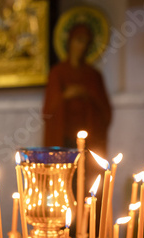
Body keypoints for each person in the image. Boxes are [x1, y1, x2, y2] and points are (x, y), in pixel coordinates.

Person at [42, 24, 112, 157]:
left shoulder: (93, 75)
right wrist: (65, 96)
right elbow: (48, 111)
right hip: (63, 137)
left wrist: (86, 94)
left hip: (89, 138)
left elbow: (105, 112)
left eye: (86, 43)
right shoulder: (58, 73)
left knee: (85, 172)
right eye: (79, 41)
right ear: (70, 42)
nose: (82, 46)